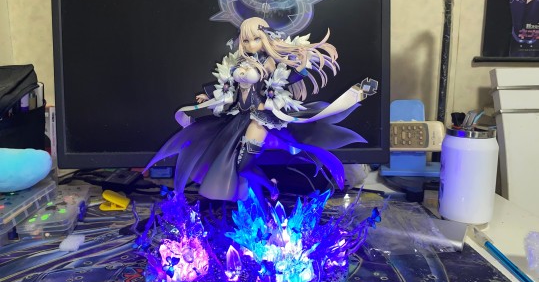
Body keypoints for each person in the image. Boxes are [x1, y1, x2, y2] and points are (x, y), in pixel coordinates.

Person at [146, 17, 376, 203]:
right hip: (238, 119)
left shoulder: (269, 65)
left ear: (265, 39)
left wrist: (303, 66)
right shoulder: (238, 63)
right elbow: (228, 87)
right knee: (224, 159)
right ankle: (265, 193)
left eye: (255, 39)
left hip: (259, 119)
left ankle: (270, 187)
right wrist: (208, 96)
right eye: (245, 40)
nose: (249, 44)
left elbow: (289, 78)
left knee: (243, 165)